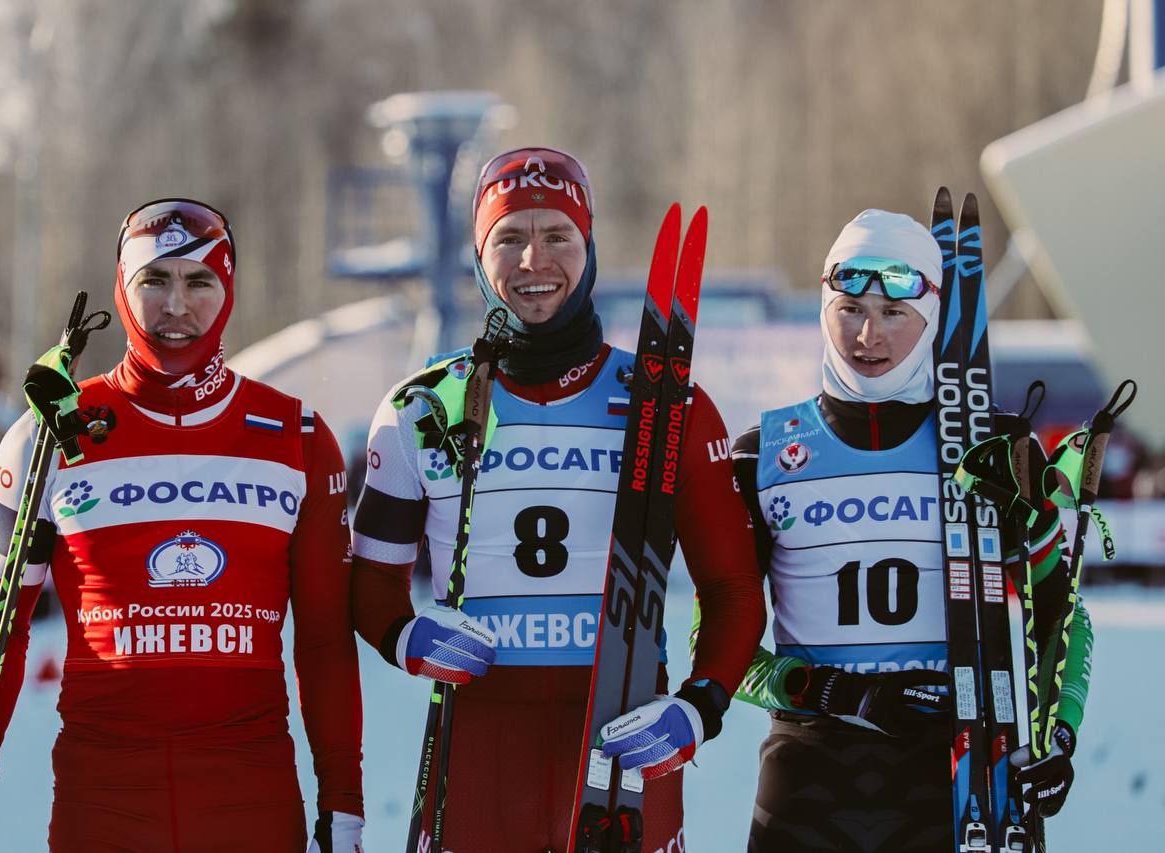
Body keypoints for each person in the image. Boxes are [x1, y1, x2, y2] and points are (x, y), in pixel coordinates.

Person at [0, 199, 365, 852]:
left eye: (199, 280)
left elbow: (324, 641)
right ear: (122, 289)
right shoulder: (49, 435)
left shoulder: (295, 437)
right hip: (105, 800)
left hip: (251, 797)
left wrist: (343, 803)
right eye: (154, 280)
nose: (176, 305)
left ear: (228, 288)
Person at [350, 147, 766, 851]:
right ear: (480, 257)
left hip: (622, 742)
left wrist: (699, 707)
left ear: (589, 246)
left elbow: (732, 586)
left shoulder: (668, 405)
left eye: (557, 237)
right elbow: (370, 582)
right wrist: (403, 634)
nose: (533, 260)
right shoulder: (421, 408)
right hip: (476, 747)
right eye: (508, 237)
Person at [727, 209, 1093, 851]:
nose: (868, 334)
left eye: (894, 313)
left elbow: (1060, 611)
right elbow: (720, 635)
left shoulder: (993, 449)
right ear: (823, 305)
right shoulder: (764, 454)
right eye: (849, 307)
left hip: (957, 771)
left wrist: (1056, 734)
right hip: (807, 775)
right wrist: (831, 689)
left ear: (933, 321)